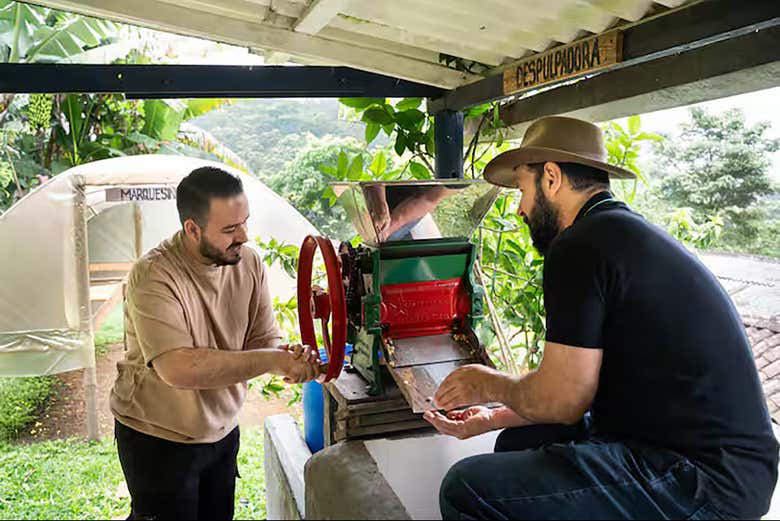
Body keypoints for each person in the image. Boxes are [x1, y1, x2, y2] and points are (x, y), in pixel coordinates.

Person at [424, 116, 779, 519]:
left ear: (552, 178)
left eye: (522, 189)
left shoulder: (580, 246)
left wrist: (489, 384)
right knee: (517, 443)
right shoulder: (615, 234)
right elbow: (576, 387)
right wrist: (491, 418)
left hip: (701, 482)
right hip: (730, 472)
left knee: (465, 490)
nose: (521, 209)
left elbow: (564, 399)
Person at [109, 166, 321, 520]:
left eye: (245, 222)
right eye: (229, 229)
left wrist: (290, 359)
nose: (244, 236)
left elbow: (262, 339)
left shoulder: (248, 262)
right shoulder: (154, 275)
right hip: (159, 439)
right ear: (192, 228)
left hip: (221, 432)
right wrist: (271, 360)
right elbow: (177, 368)